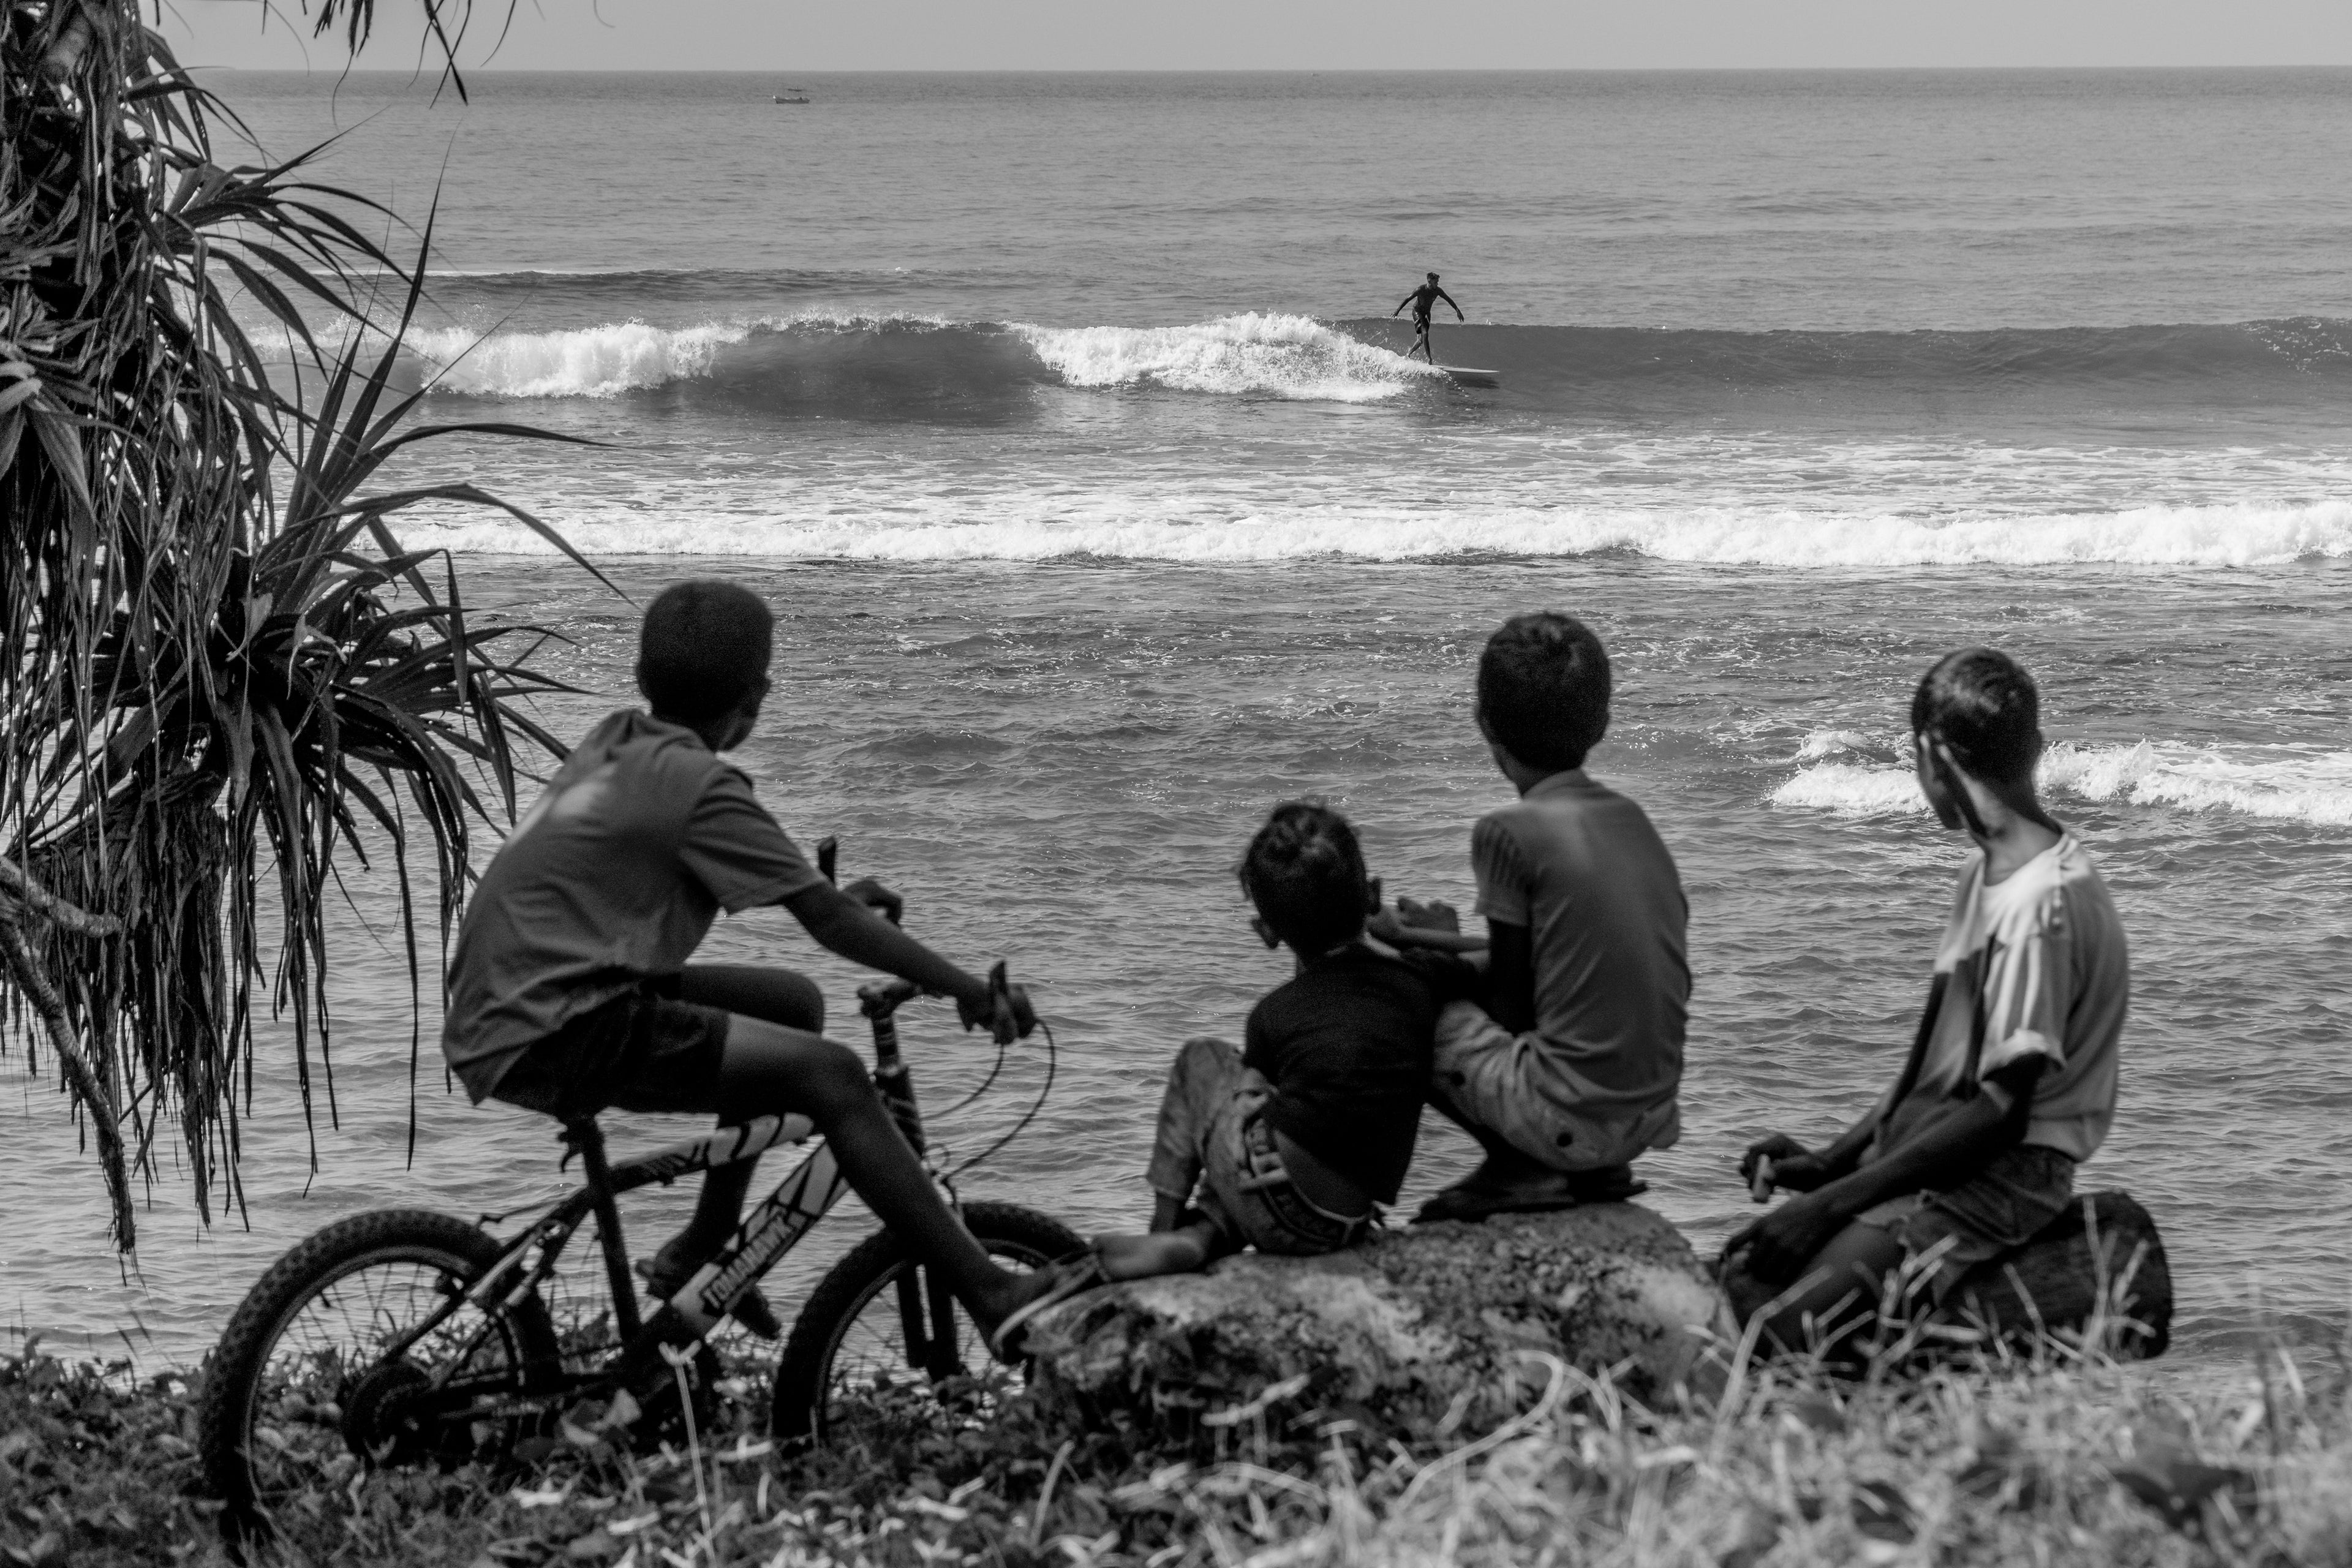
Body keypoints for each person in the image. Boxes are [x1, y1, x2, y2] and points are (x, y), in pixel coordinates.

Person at [439, 578, 1073, 1352]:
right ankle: (989, 1288)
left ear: (643, 682)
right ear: (758, 692)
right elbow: (827, 920)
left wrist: (816, 888)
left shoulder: (622, 740)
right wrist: (969, 989)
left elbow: (749, 874)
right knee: (834, 1076)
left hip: (515, 998)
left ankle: (703, 1241)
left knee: (791, 1004)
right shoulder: (702, 786)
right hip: (555, 1025)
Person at [1722, 649, 2128, 1360]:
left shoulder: (2040, 901)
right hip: (1940, 1159)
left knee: (1778, 1336)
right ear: (2032, 748)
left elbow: (2002, 1112)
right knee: (1743, 1286)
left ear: (1931, 753)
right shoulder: (1988, 874)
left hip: (1999, 1183)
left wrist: (1829, 1203)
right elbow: (1932, 1074)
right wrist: (1831, 1161)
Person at [1374, 612, 1689, 1222]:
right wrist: (1427, 936)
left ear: (1482, 722)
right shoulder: (1631, 819)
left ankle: (1519, 1167)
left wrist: (1420, 952)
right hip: (1645, 1115)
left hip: (1566, 1119)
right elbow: (1562, 962)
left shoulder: (1506, 833)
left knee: (1393, 991)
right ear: (1602, 721)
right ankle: (1583, 1168)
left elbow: (1514, 1005)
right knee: (1430, 962)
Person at [1093, 802, 1472, 1280]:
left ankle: (1164, 1234)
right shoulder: (1423, 977)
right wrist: (1420, 936)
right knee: (1275, 1118)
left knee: (1204, 1060)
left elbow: (1250, 1104)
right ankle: (1200, 1238)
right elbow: (1513, 953)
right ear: (1372, 895)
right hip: (1344, 1223)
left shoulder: (1272, 1014)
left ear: (1267, 932)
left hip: (1281, 1207)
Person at [1392, 271, 1464, 363]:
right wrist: (1397, 311)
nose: (1437, 284)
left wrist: (1457, 310)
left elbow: (1448, 299)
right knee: (1425, 334)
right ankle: (1429, 359)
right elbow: (1407, 299)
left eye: (1438, 282)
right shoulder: (1420, 290)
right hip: (1417, 312)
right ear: (1429, 282)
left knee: (1422, 340)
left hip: (1426, 314)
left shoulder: (1438, 291)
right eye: (1436, 282)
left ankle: (1408, 355)